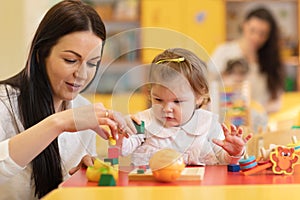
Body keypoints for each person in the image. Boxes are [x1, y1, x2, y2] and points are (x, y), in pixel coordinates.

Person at [0, 1, 134, 199]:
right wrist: (60, 122)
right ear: (40, 54)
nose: (81, 74)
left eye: (92, 63)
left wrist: (79, 177)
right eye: (71, 60)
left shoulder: (83, 109)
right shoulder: (4, 103)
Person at [120, 48, 252, 166]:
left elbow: (224, 159)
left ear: (199, 96)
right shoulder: (143, 121)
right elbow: (122, 149)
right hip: (152, 190)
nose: (166, 108)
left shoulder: (207, 124)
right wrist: (121, 133)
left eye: (177, 101)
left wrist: (234, 153)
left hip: (201, 191)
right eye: (158, 99)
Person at [208, 7, 285, 114]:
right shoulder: (224, 51)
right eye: (252, 30)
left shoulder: (270, 60)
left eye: (262, 34)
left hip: (257, 122)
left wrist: (256, 111)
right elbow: (205, 86)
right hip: (228, 119)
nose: (256, 37)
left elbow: (277, 102)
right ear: (244, 25)